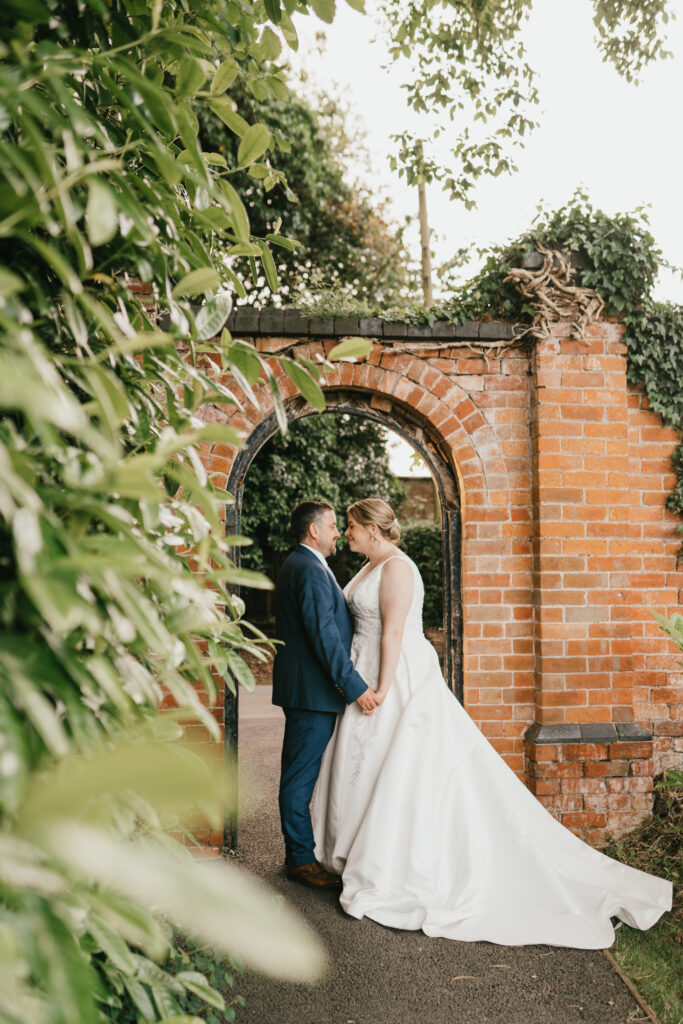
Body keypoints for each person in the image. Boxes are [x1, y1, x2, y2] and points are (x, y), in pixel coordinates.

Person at [311, 498, 672, 947]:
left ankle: (390, 862)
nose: (347, 533)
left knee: (401, 768)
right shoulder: (368, 566)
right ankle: (352, 850)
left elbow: (393, 632)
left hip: (396, 675)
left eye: (352, 526)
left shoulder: (398, 568)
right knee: (368, 764)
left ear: (374, 528)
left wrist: (381, 689)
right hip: (364, 666)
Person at [273, 500, 379, 889]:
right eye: (334, 525)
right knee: (300, 777)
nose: (338, 532)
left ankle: (299, 854)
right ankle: (300, 860)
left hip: (307, 690)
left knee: (299, 773)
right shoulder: (308, 569)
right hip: (311, 692)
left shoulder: (305, 565)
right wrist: (355, 688)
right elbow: (325, 638)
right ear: (314, 530)